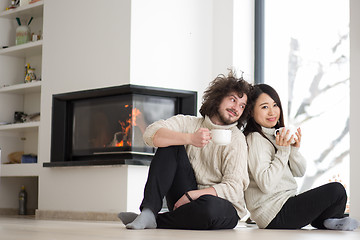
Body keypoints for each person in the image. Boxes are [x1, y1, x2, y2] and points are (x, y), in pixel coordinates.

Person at [118, 70, 252, 230]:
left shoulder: (237, 139)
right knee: (170, 142)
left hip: (219, 205)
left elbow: (234, 188)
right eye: (232, 100)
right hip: (184, 194)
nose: (236, 108)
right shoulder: (189, 123)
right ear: (218, 98)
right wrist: (189, 138)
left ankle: (156, 220)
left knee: (209, 208)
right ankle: (148, 211)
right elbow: (150, 134)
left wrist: (193, 195)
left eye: (242, 106)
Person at [243, 83, 359, 230]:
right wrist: (283, 151)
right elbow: (266, 184)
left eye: (275, 105)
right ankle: (330, 220)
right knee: (336, 190)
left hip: (286, 205)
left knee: (339, 194)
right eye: (264, 107)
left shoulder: (274, 135)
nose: (272, 112)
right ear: (251, 112)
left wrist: (293, 150)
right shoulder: (255, 139)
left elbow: (300, 172)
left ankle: (326, 221)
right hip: (273, 214)